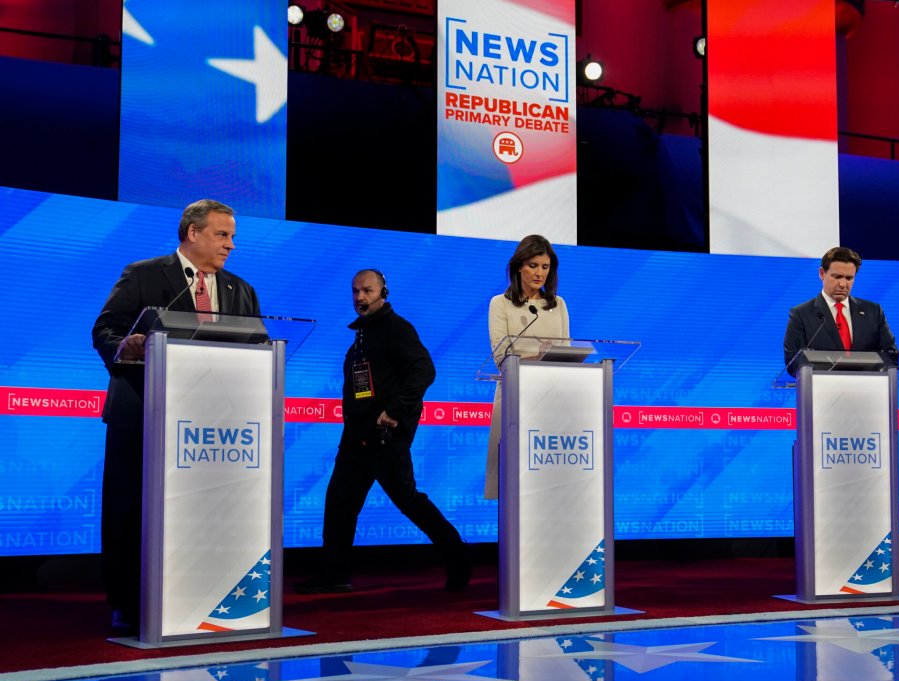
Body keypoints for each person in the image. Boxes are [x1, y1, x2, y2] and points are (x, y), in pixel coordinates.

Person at [92, 198, 261, 634]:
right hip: (143, 415)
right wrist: (123, 345)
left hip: (212, 424)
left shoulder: (239, 289)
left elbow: (259, 347)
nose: (231, 246)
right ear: (193, 232)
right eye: (222, 235)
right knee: (131, 510)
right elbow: (105, 329)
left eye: (233, 237)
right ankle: (128, 603)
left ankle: (201, 598)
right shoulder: (144, 274)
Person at [296, 269, 471, 594]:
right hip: (355, 437)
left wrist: (396, 410)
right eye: (355, 291)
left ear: (383, 293)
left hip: (383, 436)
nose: (360, 297)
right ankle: (334, 574)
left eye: (367, 291)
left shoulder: (395, 328)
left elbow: (424, 369)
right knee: (338, 505)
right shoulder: (363, 333)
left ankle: (459, 557)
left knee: (408, 500)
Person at [484, 235, 570, 499]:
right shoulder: (500, 303)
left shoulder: (558, 305)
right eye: (533, 265)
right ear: (519, 266)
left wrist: (554, 358)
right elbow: (501, 356)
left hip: (551, 397)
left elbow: (566, 353)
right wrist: (538, 358)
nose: (539, 273)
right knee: (512, 484)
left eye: (545, 267)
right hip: (515, 396)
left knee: (547, 487)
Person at [782, 246, 899, 376]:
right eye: (837, 277)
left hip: (866, 391)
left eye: (849, 278)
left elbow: (892, 356)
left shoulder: (873, 312)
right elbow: (792, 362)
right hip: (821, 392)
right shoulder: (801, 314)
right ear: (822, 273)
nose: (843, 284)